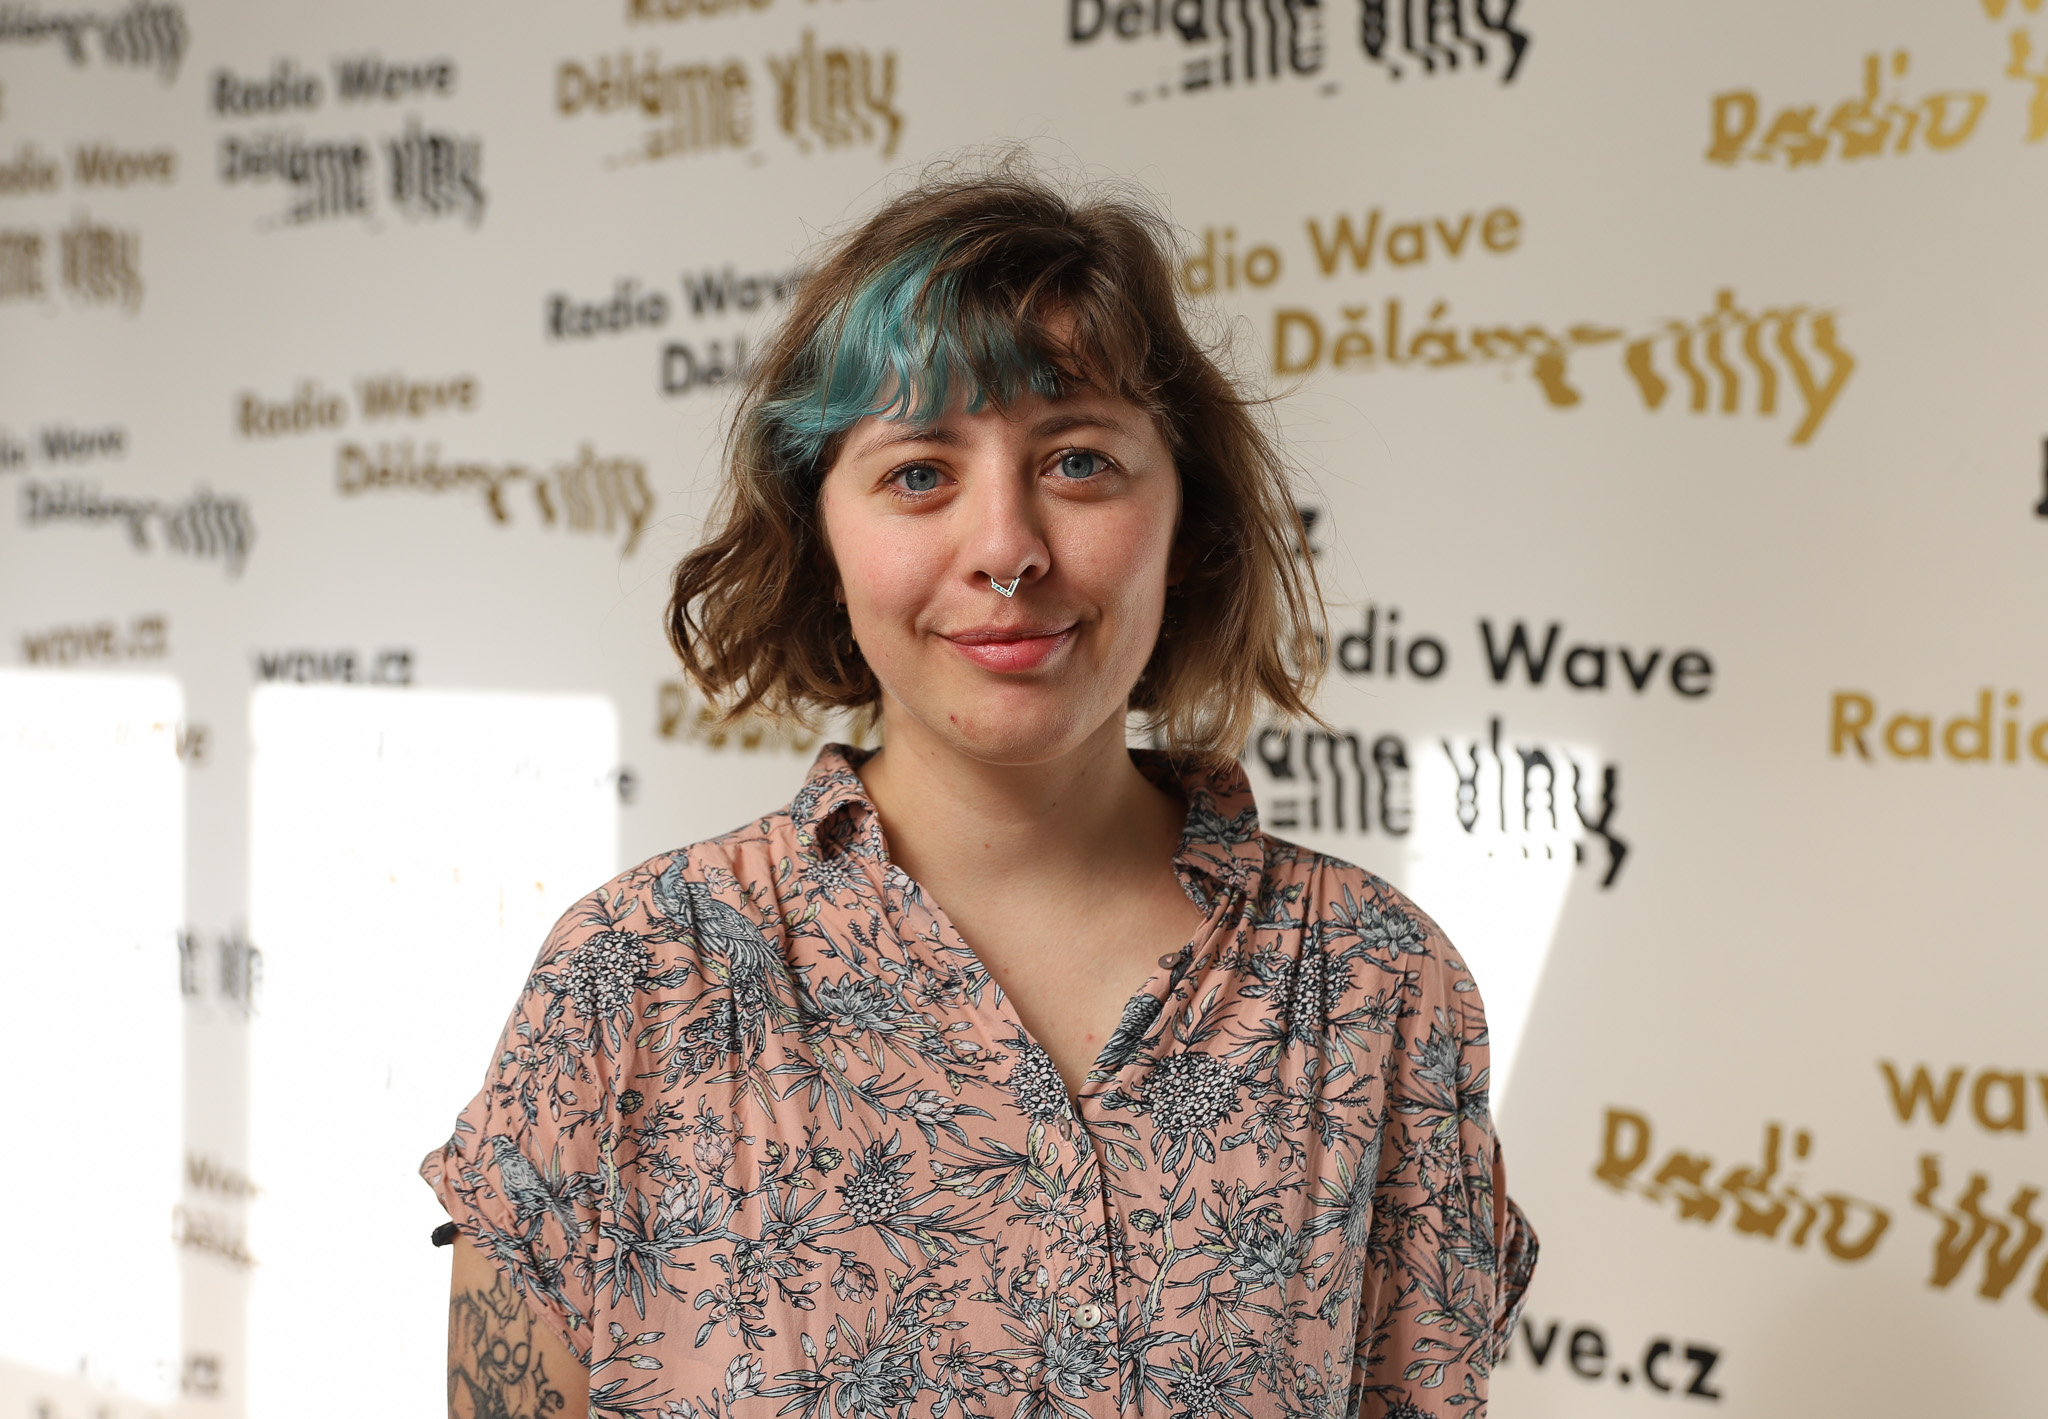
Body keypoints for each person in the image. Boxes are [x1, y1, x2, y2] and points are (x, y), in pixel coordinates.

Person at [424, 160, 1536, 1419]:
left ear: (1188, 526)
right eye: (917, 473)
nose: (1006, 550)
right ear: (820, 534)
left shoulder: (1377, 988)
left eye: (1079, 462)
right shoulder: (631, 980)